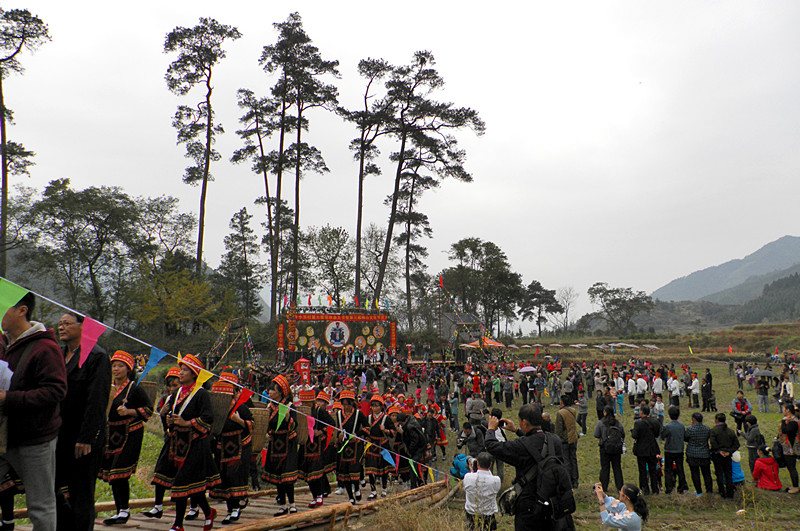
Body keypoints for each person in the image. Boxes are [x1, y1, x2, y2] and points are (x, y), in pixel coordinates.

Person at [0, 293, 67, 531]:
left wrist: (8, 398)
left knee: (40, 504)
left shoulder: (45, 348)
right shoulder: (5, 345)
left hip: (35, 438)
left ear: (22, 310)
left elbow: (55, 391)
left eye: (3, 307)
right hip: (4, 434)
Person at [55, 311, 111, 531]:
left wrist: (87, 437)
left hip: (84, 437)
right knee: (54, 487)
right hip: (60, 433)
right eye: (60, 324)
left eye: (67, 323)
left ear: (82, 327)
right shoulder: (58, 354)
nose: (61, 327)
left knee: (81, 492)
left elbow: (97, 400)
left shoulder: (96, 356)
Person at [151, 353, 220, 531]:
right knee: (191, 485)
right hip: (176, 444)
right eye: (181, 369)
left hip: (195, 445)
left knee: (182, 483)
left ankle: (177, 525)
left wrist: (187, 423)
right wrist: (167, 416)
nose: (180, 373)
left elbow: (208, 418)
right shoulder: (177, 394)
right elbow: (170, 418)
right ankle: (208, 512)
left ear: (194, 374)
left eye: (185, 370)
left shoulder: (201, 394)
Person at [485, 404, 570, 531]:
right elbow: (534, 443)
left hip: (529, 507)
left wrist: (491, 429)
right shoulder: (554, 440)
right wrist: (516, 431)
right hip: (553, 503)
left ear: (524, 422)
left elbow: (492, 446)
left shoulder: (520, 446)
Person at [98, 351, 153, 525]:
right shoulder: (108, 387)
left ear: (128, 369)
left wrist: (130, 411)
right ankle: (119, 510)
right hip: (112, 434)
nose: (116, 369)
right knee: (112, 474)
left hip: (131, 434)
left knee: (118, 473)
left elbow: (149, 410)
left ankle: (124, 510)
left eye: (120, 366)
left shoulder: (134, 388)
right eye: (114, 366)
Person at [209, 372, 253, 524]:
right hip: (222, 446)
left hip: (240, 445)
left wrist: (238, 420)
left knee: (235, 475)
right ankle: (230, 509)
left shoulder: (241, 406)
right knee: (225, 477)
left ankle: (236, 508)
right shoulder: (216, 408)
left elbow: (252, 425)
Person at [141, 367, 181, 519]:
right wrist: (163, 412)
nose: (172, 389)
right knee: (161, 471)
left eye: (175, 385)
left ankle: (193, 507)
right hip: (169, 440)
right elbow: (162, 420)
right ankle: (158, 506)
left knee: (186, 476)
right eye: (170, 386)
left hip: (186, 442)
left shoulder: (190, 399)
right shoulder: (166, 399)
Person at [262, 374, 299, 515]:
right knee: (278, 476)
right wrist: (267, 432)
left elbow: (295, 425)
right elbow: (267, 426)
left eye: (273, 390)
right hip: (275, 444)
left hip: (288, 443)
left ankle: (292, 504)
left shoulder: (289, 406)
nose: (270, 392)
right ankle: (283, 505)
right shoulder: (269, 407)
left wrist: (288, 417)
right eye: (270, 389)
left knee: (287, 476)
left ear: (280, 392)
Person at [335, 389, 367, 504]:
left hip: (356, 446)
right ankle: (350, 497)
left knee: (354, 469)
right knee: (345, 471)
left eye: (348, 404)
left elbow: (367, 427)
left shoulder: (358, 414)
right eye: (343, 404)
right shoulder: (338, 414)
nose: (346, 407)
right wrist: (338, 435)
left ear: (352, 404)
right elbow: (335, 429)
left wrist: (357, 435)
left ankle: (357, 488)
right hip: (343, 446)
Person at [363, 395, 395, 499]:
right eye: (373, 406)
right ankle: (373, 491)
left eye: (377, 406)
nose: (375, 408)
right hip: (371, 446)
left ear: (381, 407)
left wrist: (385, 430)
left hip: (383, 445)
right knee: (370, 470)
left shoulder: (386, 418)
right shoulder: (368, 418)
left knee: (384, 470)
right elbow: (364, 430)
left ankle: (384, 489)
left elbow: (393, 432)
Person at [463, 452, 501, 531]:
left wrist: (473, 471)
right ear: (490, 465)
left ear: (477, 464)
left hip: (471, 515)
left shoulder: (467, 477)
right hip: (488, 517)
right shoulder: (496, 480)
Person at [631, 405, 660, 495]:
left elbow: (635, 435)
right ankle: (655, 489)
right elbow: (657, 434)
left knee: (642, 470)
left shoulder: (638, 423)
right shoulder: (655, 422)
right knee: (653, 470)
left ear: (641, 412)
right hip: (652, 448)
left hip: (641, 449)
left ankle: (644, 488)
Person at [595, 406, 625, 493]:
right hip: (616, 448)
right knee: (617, 468)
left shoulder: (601, 423)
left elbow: (596, 434)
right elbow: (623, 434)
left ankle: (604, 487)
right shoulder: (618, 423)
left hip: (604, 448)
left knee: (605, 468)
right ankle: (620, 487)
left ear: (605, 413)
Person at [709, 412, 739, 499]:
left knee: (719, 474)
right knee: (728, 474)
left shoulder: (713, 431)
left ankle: (722, 492)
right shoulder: (730, 431)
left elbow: (713, 443)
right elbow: (736, 444)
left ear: (716, 420)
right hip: (728, 455)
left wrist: (719, 451)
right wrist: (729, 452)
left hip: (717, 455)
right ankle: (730, 493)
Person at [659, 406, 688, 494]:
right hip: (679, 450)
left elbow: (662, 436)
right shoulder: (681, 425)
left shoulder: (667, 426)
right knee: (680, 469)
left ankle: (669, 487)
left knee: (668, 470)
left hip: (669, 450)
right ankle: (681, 487)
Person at [684, 412, 713, 496]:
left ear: (693, 420)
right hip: (704, 454)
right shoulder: (707, 429)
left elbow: (686, 438)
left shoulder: (690, 429)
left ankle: (699, 491)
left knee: (695, 473)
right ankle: (709, 490)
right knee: (707, 473)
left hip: (693, 454)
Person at [555, 395, 579, 488]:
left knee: (566, 461)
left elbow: (559, 429)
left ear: (562, 402)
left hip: (565, 440)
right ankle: (575, 480)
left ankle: (568, 480)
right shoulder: (573, 410)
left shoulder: (560, 413)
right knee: (573, 460)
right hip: (573, 438)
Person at [778, 403, 800, 494]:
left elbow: (785, 430)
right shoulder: (791, 420)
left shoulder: (793, 422)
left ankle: (795, 486)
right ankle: (794, 485)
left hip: (791, 448)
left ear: (788, 410)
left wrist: (783, 421)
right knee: (790, 467)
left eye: (784, 409)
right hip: (788, 447)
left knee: (792, 467)